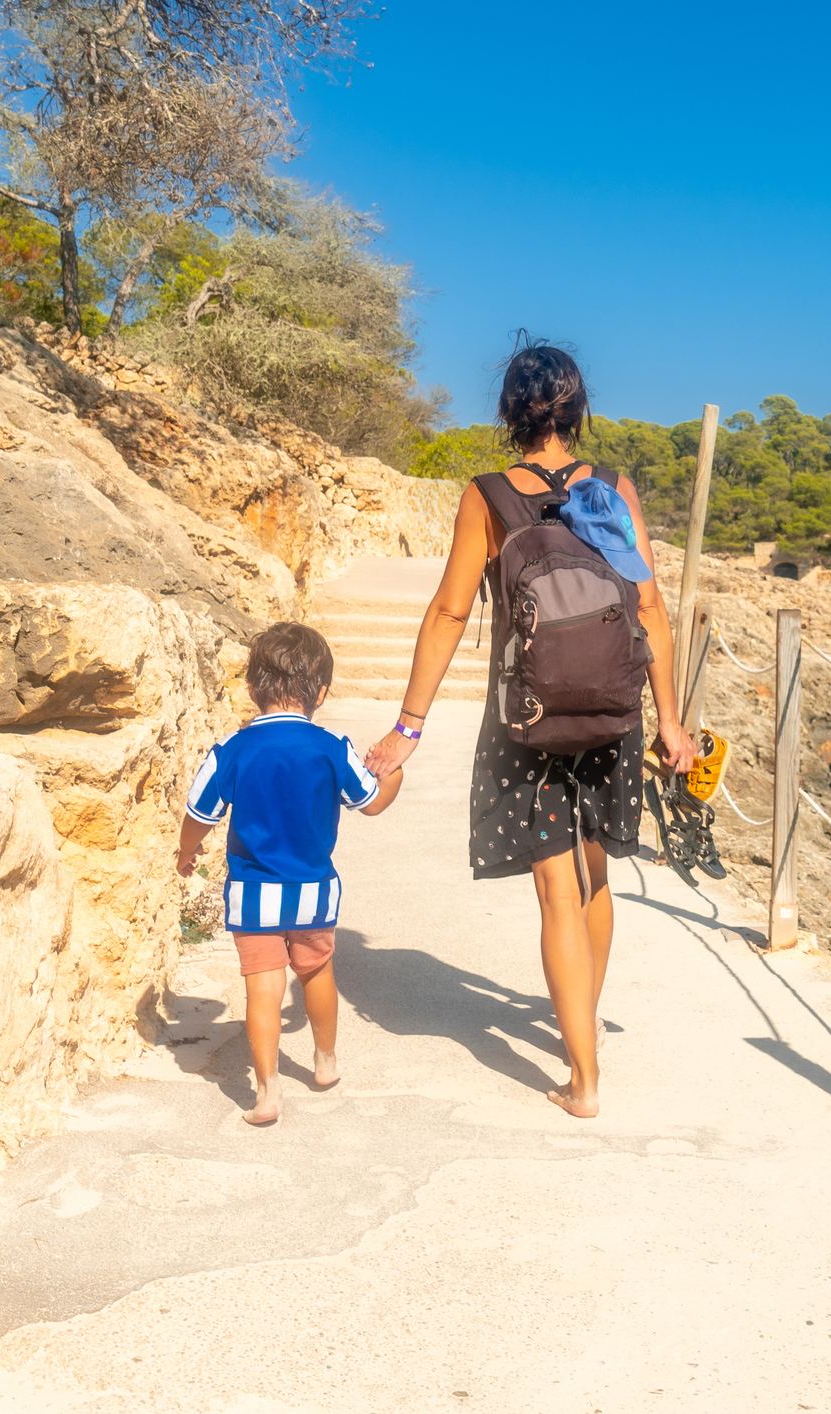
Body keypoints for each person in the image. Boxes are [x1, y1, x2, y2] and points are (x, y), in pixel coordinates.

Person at [364, 337, 696, 1120]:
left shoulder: (486, 494)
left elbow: (449, 611)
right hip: (613, 713)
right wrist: (672, 721)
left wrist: (406, 728)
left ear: (509, 411)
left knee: (555, 893)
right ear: (577, 410)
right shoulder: (614, 488)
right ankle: (583, 1031)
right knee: (596, 877)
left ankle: (581, 1082)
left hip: (527, 718)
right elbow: (647, 607)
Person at [177, 622, 403, 1126]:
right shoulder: (331, 746)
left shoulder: (232, 750)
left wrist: (184, 852)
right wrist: (396, 772)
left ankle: (267, 1092)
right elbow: (370, 802)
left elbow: (199, 814)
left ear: (252, 688)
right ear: (321, 692)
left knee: (262, 988)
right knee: (317, 973)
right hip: (314, 892)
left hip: (253, 893)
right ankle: (324, 1063)